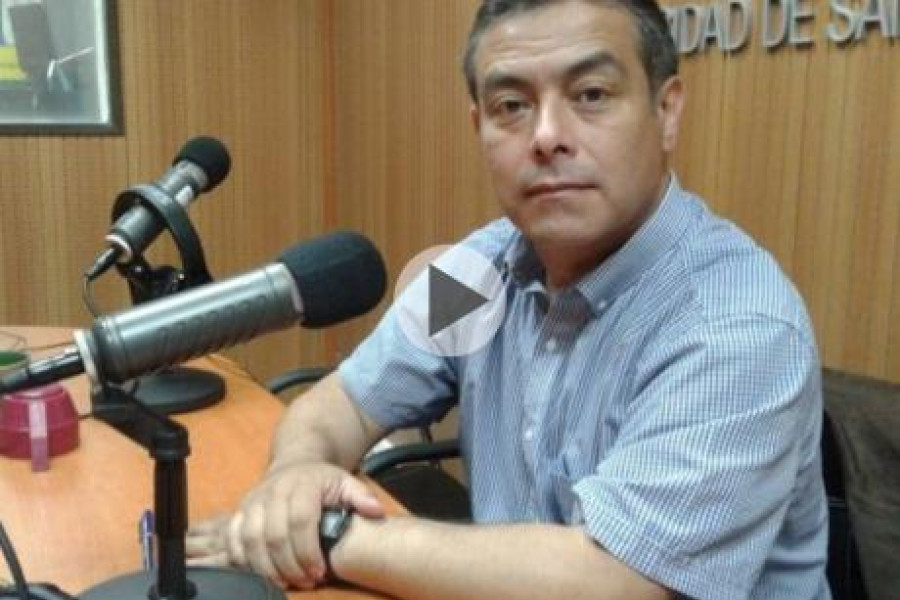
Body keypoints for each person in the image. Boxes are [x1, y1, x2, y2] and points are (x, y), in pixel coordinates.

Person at [187, 1, 831, 598]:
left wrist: (332, 535)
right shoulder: (477, 273)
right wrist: (294, 478)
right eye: (511, 106)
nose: (546, 135)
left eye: (591, 95)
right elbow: (347, 401)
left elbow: (614, 579)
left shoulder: (737, 324)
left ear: (666, 112)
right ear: (479, 125)